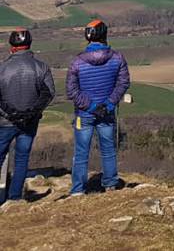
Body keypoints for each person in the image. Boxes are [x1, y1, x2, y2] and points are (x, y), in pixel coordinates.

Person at [66, 19, 130, 196]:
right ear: (105, 35)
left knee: (81, 153)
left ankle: (78, 190)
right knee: (108, 150)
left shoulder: (77, 62)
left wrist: (92, 106)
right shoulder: (117, 58)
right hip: (107, 112)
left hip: (84, 113)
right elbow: (123, 83)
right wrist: (108, 104)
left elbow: (71, 91)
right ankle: (110, 185)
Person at [0, 28, 55, 208]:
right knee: (21, 159)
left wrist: (11, 113)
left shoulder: (2, 68)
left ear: (11, 46)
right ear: (29, 45)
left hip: (5, 121)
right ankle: (15, 198)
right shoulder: (41, 67)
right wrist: (31, 113)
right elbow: (48, 93)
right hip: (29, 123)